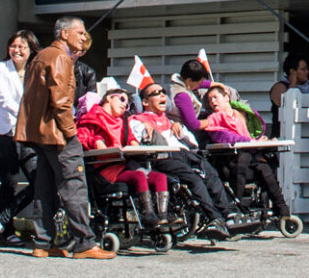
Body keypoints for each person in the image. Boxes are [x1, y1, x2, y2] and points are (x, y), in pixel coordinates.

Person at [14, 16, 114, 260]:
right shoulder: (60, 57)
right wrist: (71, 133)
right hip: (58, 134)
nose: (82, 36)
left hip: (41, 134)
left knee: (44, 188)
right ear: (63, 33)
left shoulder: (41, 56)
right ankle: (84, 242)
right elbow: (60, 102)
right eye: (78, 32)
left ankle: (43, 242)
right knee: (74, 186)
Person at [131, 83, 233, 239]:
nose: (162, 95)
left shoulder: (171, 122)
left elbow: (193, 143)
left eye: (163, 92)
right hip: (162, 156)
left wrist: (180, 129)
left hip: (185, 153)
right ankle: (214, 218)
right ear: (145, 102)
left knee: (211, 174)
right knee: (193, 179)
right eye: (156, 93)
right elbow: (135, 143)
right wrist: (146, 130)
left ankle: (229, 216)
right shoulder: (137, 121)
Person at [77, 89, 168, 229]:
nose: (125, 105)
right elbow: (87, 140)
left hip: (124, 164)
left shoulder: (122, 122)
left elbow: (131, 139)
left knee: (160, 177)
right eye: (121, 99)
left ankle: (163, 217)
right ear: (108, 98)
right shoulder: (93, 118)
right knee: (138, 176)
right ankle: (147, 215)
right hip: (104, 168)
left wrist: (134, 145)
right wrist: (98, 144)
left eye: (127, 104)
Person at [204, 84, 291, 218]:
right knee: (244, 158)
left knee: (265, 168)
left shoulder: (240, 114)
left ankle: (282, 210)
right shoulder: (214, 119)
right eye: (210, 100)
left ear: (226, 97)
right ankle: (236, 208)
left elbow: (249, 136)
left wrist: (260, 141)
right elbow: (227, 137)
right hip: (230, 159)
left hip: (250, 156)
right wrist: (253, 143)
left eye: (215, 97)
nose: (212, 102)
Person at [0, 30, 40, 246]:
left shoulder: (34, 71)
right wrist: (30, 115)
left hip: (28, 135)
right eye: (14, 46)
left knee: (38, 180)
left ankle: (5, 216)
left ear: (31, 50)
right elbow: (4, 100)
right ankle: (6, 233)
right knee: (9, 181)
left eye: (22, 47)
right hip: (4, 132)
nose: (17, 50)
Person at [268, 53, 309, 137]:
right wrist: (293, 82)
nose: (307, 72)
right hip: (283, 136)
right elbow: (283, 103)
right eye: (303, 69)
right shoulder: (280, 86)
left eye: (307, 69)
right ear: (292, 71)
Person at [72, 32, 97, 107]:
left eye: (75, 50)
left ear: (83, 53)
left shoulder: (88, 73)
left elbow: (91, 102)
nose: (69, 52)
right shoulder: (55, 66)